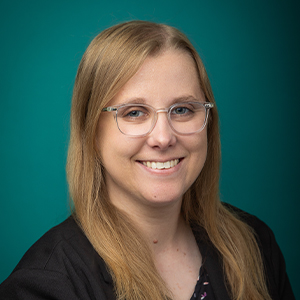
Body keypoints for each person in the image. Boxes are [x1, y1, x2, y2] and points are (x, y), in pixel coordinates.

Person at [0, 20, 295, 300]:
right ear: (91, 132)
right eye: (134, 113)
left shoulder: (255, 245)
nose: (163, 138)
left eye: (182, 109)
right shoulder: (46, 284)